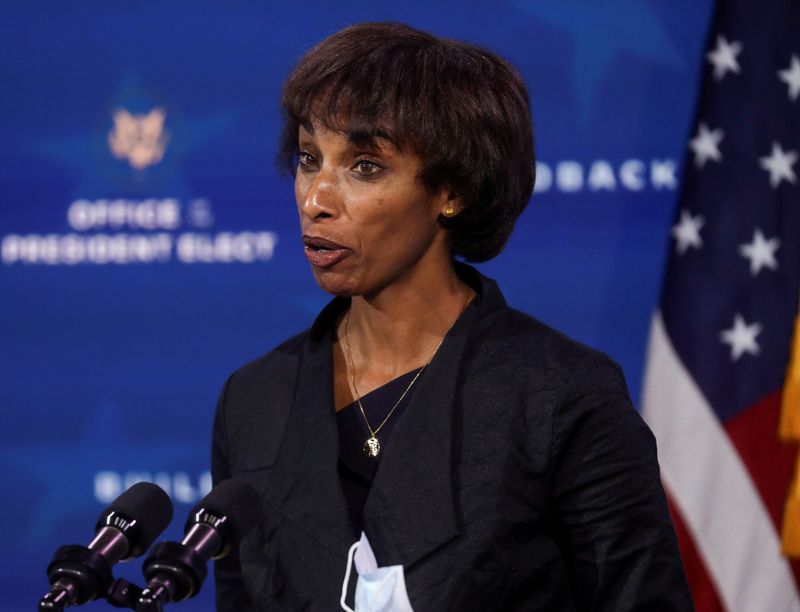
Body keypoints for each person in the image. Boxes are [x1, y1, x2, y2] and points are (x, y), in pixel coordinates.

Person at [211, 22, 692, 611]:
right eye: (310, 159)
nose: (316, 198)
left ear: (453, 191)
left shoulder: (562, 396)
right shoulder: (254, 399)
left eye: (364, 167)